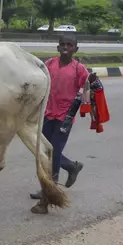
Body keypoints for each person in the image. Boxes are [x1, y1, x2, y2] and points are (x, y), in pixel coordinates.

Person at [30, 34, 88, 200]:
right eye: (62, 44)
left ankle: (50, 188)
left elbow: (87, 89)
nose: (65, 47)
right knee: (44, 150)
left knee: (54, 151)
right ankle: (71, 166)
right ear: (57, 47)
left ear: (75, 49)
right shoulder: (49, 64)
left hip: (65, 117)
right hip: (48, 113)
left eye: (69, 45)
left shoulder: (78, 69)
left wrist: (86, 101)